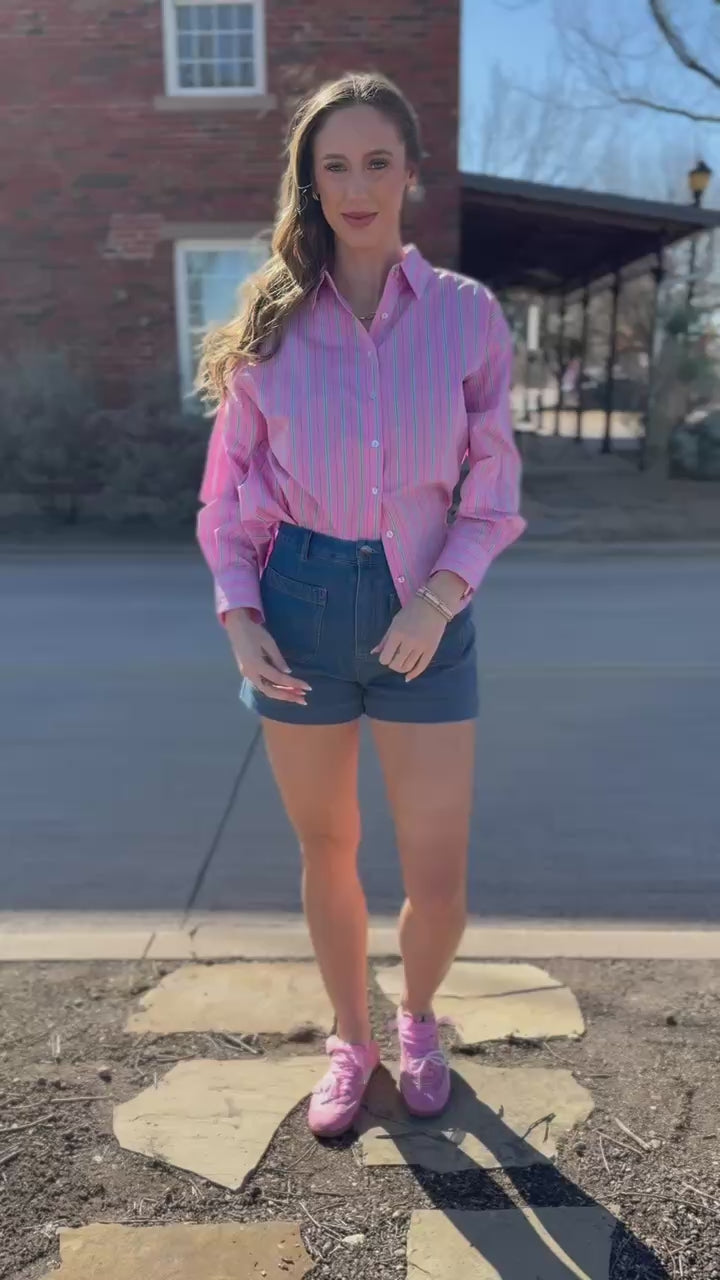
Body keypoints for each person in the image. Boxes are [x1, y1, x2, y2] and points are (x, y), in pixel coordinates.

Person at [196, 72, 526, 1140]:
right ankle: (351, 1032)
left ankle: (417, 1015)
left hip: (428, 608)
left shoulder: (469, 317)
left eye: (377, 161)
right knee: (325, 845)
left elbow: (494, 484)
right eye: (332, 164)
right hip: (297, 603)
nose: (355, 185)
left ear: (411, 175)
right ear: (309, 178)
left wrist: (438, 596)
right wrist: (239, 610)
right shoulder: (272, 322)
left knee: (439, 867)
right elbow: (225, 491)